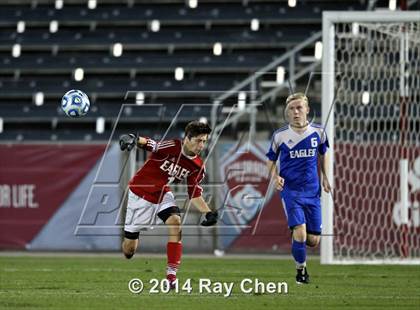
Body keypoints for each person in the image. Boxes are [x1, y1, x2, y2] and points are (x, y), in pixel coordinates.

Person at [119, 120, 218, 288]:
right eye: (199, 140)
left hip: (163, 194)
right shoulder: (173, 146)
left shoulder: (197, 166)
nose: (202, 145)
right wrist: (133, 139)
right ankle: (130, 240)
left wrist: (207, 212)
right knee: (129, 251)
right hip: (139, 194)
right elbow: (152, 145)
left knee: (175, 222)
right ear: (187, 138)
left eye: (204, 141)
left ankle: (171, 275)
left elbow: (194, 193)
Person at [266, 92, 331, 284]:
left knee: (313, 241)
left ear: (307, 110)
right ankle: (301, 271)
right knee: (301, 232)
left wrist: (326, 177)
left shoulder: (319, 132)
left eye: (299, 108)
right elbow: (270, 160)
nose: (295, 112)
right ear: (287, 112)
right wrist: (275, 176)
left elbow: (324, 154)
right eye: (291, 109)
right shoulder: (280, 136)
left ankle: (296, 234)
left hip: (313, 192)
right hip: (291, 191)